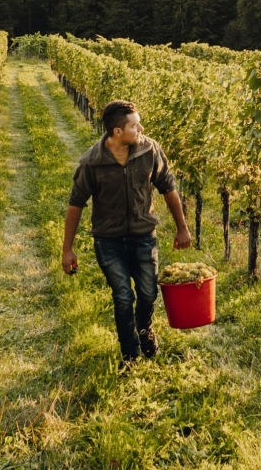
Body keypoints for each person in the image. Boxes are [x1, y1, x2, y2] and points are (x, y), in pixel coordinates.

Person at [62, 99, 191, 364]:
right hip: (109, 241)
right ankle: (130, 354)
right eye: (134, 125)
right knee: (123, 296)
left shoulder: (150, 150)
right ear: (117, 132)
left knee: (148, 293)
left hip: (144, 236)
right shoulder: (92, 162)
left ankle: (144, 329)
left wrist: (182, 228)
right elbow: (76, 204)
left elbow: (168, 188)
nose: (141, 128)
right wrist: (67, 249)